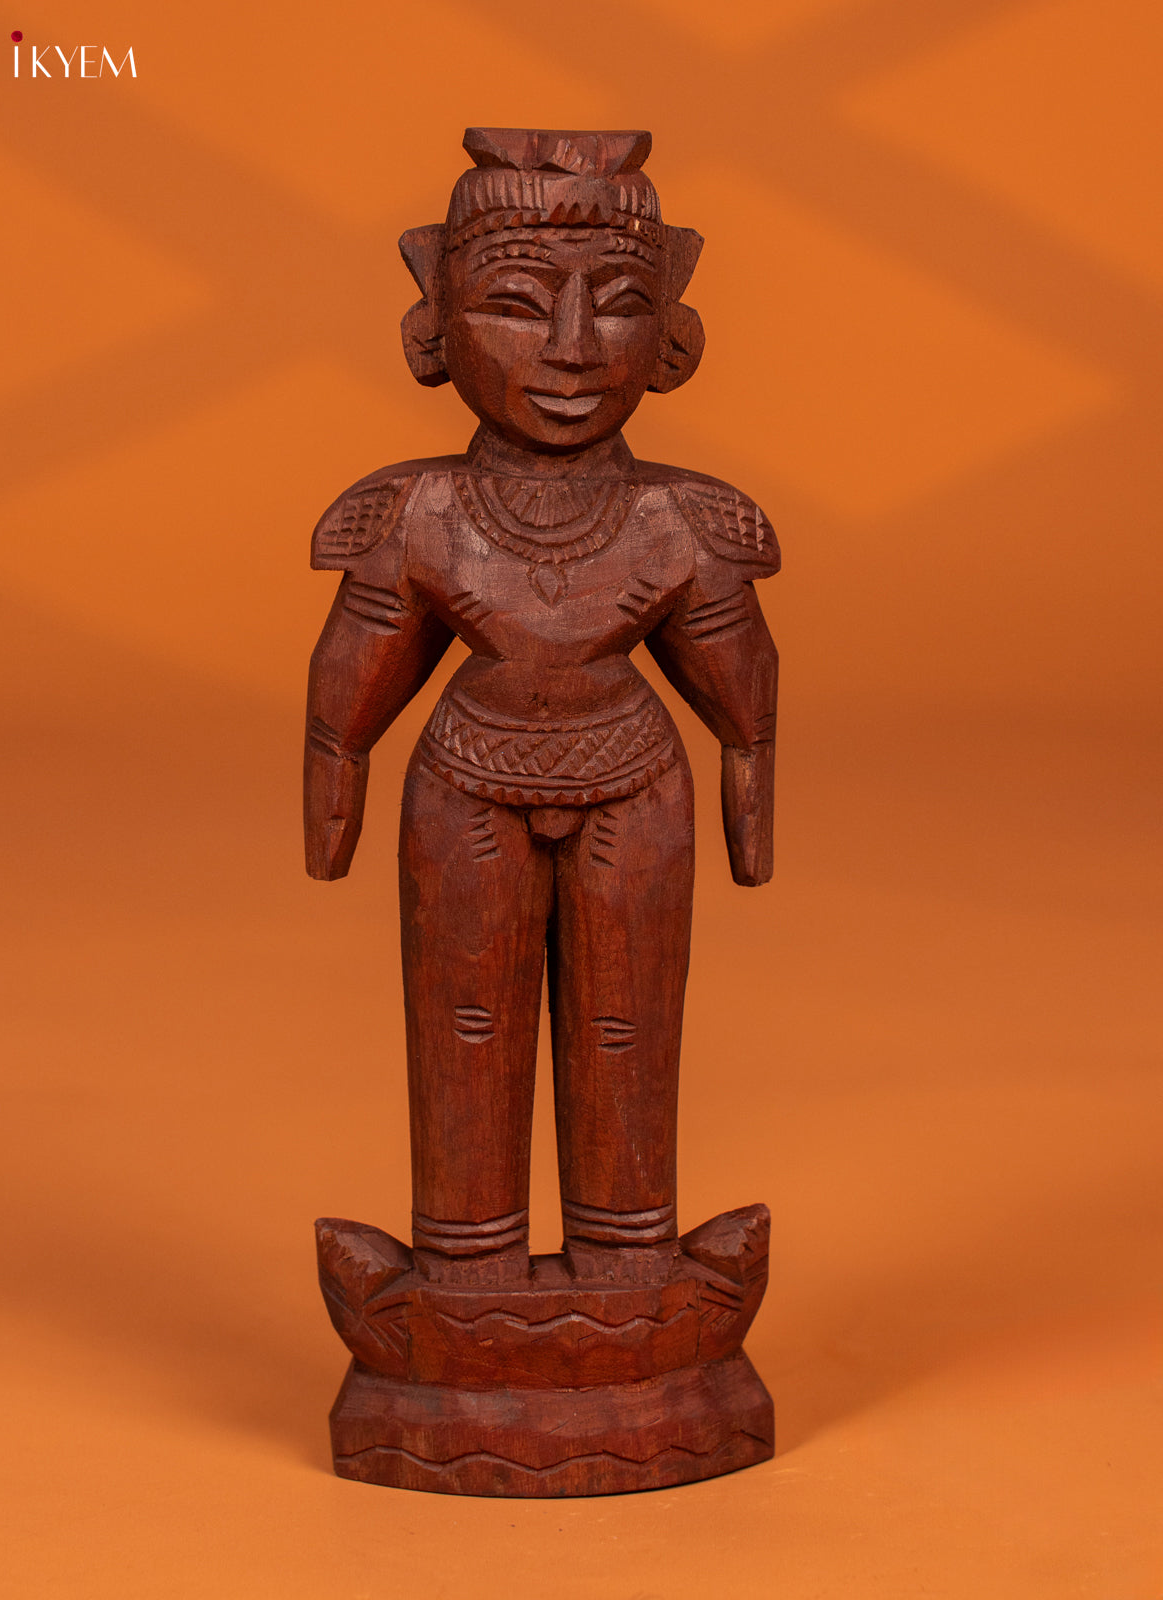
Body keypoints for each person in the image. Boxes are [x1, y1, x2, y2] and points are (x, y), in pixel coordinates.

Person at [304, 128, 779, 1286]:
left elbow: (742, 695)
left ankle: (627, 1262)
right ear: (432, 330)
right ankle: (465, 1270)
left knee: (627, 1027)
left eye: (616, 306)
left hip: (633, 784)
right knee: (463, 1026)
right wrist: (333, 782)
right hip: (465, 787)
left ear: (670, 340)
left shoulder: (684, 520)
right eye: (515, 305)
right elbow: (349, 686)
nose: (570, 348)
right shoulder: (414, 514)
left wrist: (750, 795)